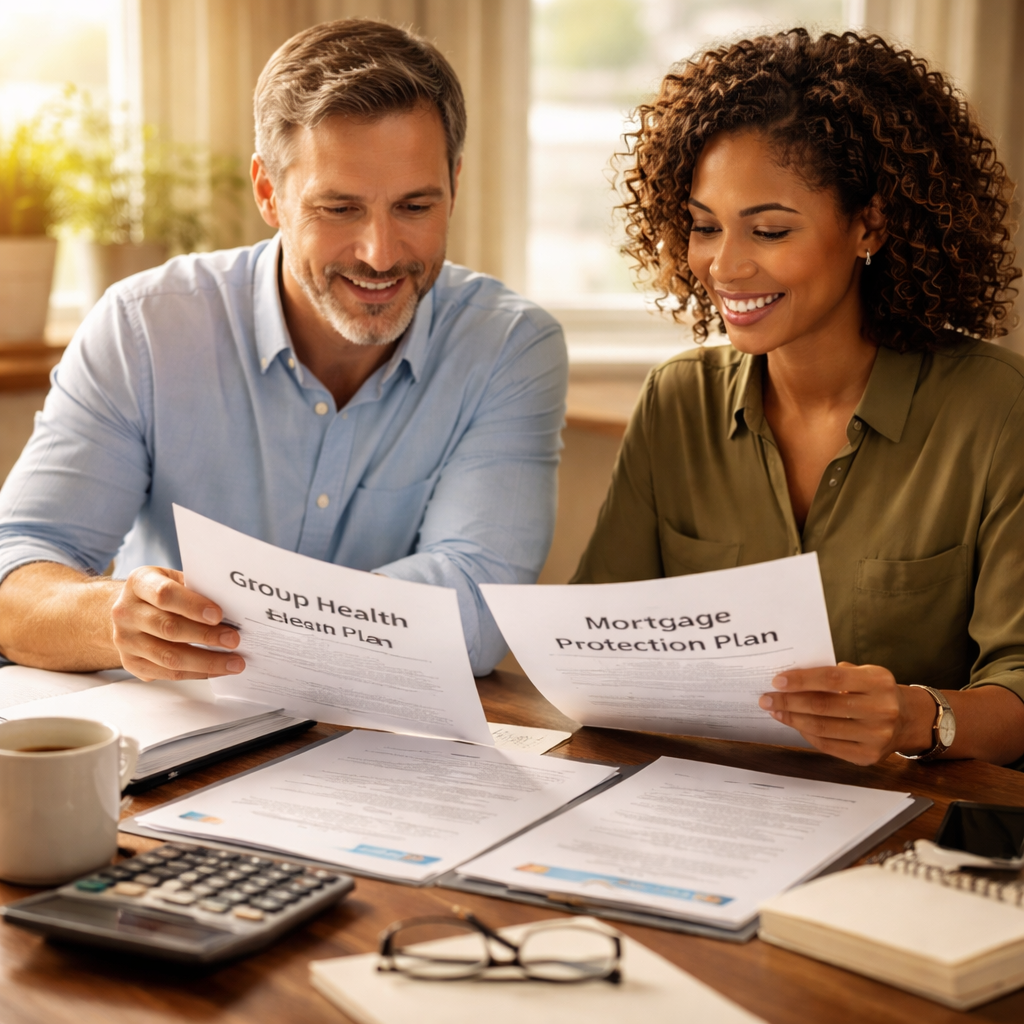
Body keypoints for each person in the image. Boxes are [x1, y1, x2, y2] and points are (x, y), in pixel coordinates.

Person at [0, 20, 566, 680]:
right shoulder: (143, 329)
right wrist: (114, 619)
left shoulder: (509, 348)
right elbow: (17, 571)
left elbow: (478, 601)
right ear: (269, 192)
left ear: (455, 186)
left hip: (380, 748)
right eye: (339, 209)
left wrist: (243, 627)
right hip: (170, 743)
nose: (380, 253)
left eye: (415, 206)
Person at [573, 29, 1024, 767]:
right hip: (710, 810)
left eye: (771, 230)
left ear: (869, 225)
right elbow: (596, 641)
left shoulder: (995, 411)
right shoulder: (676, 403)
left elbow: (1020, 687)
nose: (725, 265)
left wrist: (919, 717)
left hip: (919, 825)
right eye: (703, 227)